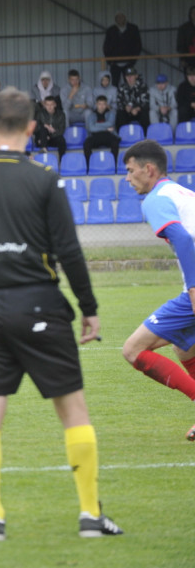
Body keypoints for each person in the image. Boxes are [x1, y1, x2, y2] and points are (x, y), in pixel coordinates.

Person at [0, 86, 123, 542]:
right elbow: (69, 251)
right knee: (73, 411)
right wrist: (89, 308)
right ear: (32, 128)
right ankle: (88, 515)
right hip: (42, 307)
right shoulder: (45, 179)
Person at [120, 139, 195, 443]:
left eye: (130, 170)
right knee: (184, 347)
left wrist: (192, 288)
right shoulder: (180, 192)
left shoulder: (155, 198)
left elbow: (184, 240)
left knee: (133, 350)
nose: (127, 178)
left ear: (148, 169)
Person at [103, 12, 142, 86]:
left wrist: (133, 60)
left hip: (129, 62)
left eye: (122, 17)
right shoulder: (111, 30)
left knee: (130, 82)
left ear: (125, 18)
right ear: (115, 19)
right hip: (114, 63)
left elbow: (138, 45)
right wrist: (110, 61)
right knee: (114, 83)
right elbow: (106, 46)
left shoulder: (133, 28)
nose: (120, 19)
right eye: (118, 17)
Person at [83, 96, 120, 171]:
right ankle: (89, 166)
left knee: (115, 143)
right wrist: (106, 128)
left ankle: (114, 165)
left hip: (108, 135)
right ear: (96, 104)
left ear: (106, 105)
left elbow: (110, 123)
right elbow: (91, 128)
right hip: (95, 136)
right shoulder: (91, 115)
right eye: (100, 104)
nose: (102, 106)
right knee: (86, 143)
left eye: (104, 104)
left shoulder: (111, 113)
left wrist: (96, 124)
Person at [116, 66, 150, 134]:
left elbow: (146, 102)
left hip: (139, 111)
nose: (129, 78)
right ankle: (123, 135)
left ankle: (145, 135)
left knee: (145, 114)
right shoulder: (122, 88)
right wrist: (125, 107)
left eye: (131, 76)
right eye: (127, 76)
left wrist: (138, 108)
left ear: (136, 76)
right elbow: (119, 102)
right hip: (127, 112)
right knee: (119, 114)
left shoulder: (143, 86)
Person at [33, 96, 67, 160]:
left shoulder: (61, 114)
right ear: (44, 105)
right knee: (43, 128)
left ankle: (62, 160)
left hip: (52, 138)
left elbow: (61, 130)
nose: (49, 107)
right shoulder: (40, 113)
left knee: (62, 140)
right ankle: (44, 148)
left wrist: (50, 136)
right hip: (41, 139)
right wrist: (45, 126)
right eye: (47, 105)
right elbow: (35, 128)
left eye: (51, 104)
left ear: (55, 105)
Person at [177, 4, 195, 72]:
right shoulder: (184, 28)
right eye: (193, 13)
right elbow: (180, 44)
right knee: (190, 77)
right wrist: (182, 59)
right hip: (189, 58)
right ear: (190, 14)